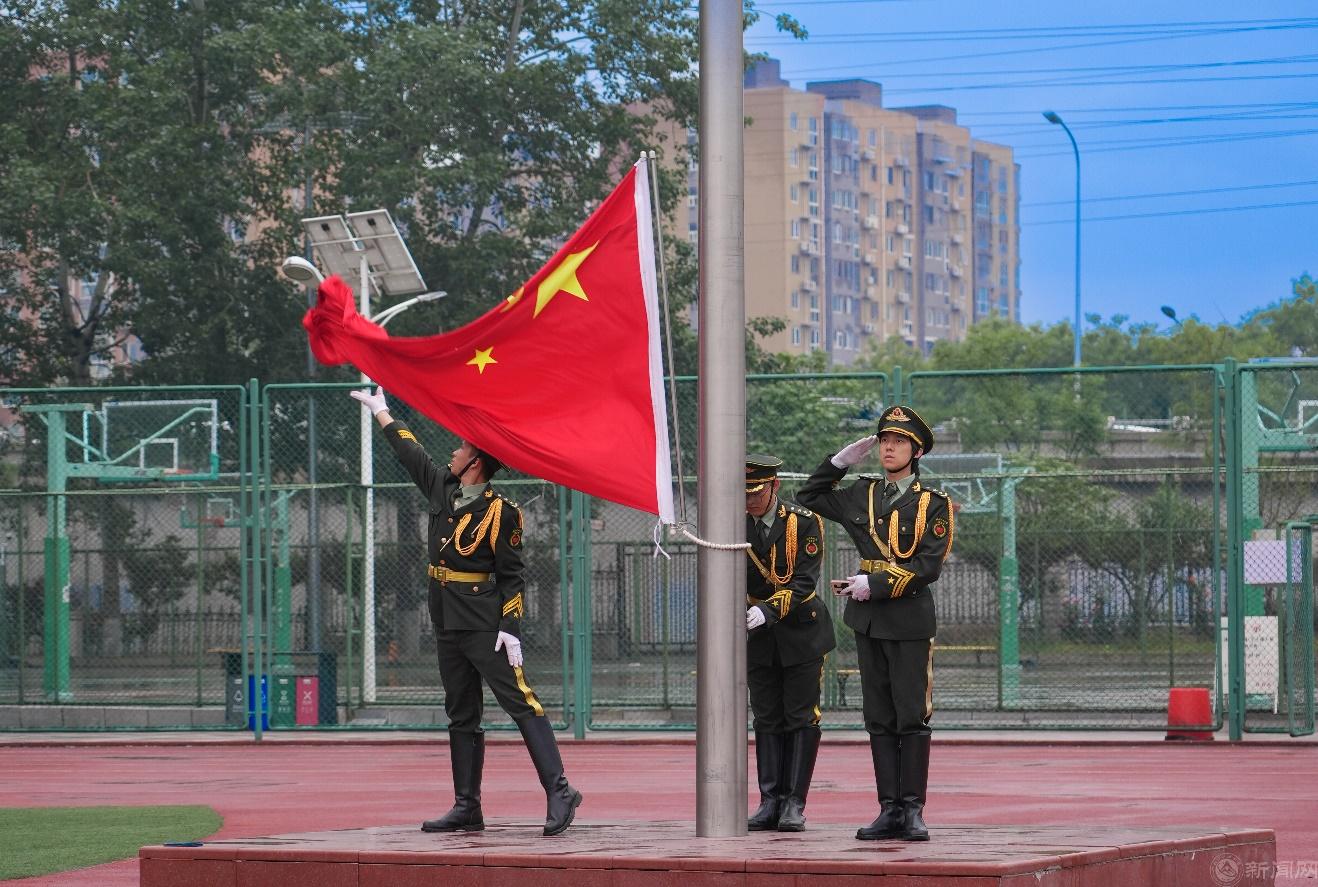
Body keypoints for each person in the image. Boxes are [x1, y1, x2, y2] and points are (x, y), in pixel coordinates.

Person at [351, 385, 582, 837]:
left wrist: (510, 627)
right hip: (446, 619)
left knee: (520, 701)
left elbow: (512, 576)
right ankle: (467, 806)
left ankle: (560, 790)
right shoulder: (443, 488)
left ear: (475, 462)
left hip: (484, 624)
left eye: (460, 449)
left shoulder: (503, 513)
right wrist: (383, 412)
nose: (453, 454)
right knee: (461, 711)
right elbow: (410, 453)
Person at [796, 406, 954, 842]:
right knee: (879, 717)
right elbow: (809, 496)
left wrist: (876, 584)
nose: (888, 447)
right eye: (884, 440)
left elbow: (927, 566)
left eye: (899, 441)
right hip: (868, 620)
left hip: (909, 619)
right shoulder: (861, 494)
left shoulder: (932, 504)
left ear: (917, 451)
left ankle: (913, 809)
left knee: (911, 715)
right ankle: (889, 809)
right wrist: (838, 463)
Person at [743, 454, 836, 832]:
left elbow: (804, 581)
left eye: (756, 492)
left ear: (774, 486)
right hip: (757, 636)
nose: (750, 500)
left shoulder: (803, 522)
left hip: (801, 633)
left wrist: (768, 610)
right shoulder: (730, 522)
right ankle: (770, 800)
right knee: (766, 716)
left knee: (800, 716)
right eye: (744, 493)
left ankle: (794, 802)